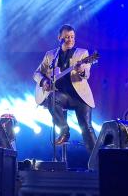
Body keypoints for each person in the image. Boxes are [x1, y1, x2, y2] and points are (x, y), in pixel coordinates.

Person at [33, 24, 97, 153]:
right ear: (59, 38)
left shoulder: (82, 54)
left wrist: (81, 70)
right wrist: (44, 81)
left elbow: (87, 74)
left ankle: (98, 159)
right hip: (61, 96)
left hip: (79, 97)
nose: (70, 40)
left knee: (86, 128)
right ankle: (64, 130)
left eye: (72, 37)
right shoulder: (50, 55)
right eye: (67, 37)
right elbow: (36, 73)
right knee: (51, 99)